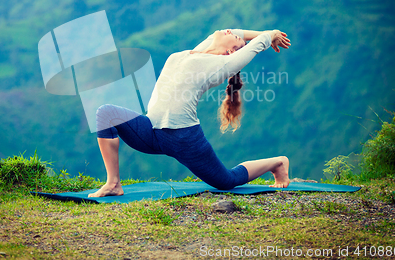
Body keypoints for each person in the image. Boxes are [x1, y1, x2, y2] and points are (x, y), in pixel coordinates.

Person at [88, 28, 291, 197]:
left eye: (235, 37)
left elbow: (254, 47)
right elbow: (233, 34)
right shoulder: (195, 53)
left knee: (226, 181)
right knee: (106, 114)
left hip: (184, 138)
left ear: (231, 52)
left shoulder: (222, 65)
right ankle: (113, 183)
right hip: (150, 130)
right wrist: (259, 32)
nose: (231, 30)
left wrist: (270, 34)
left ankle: (278, 163)